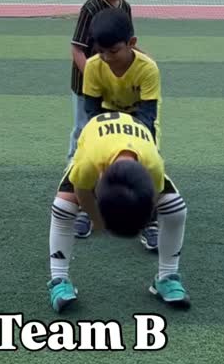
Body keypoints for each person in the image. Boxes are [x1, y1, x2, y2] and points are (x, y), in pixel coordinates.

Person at [48, 110, 190, 313]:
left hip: (135, 150)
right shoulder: (89, 163)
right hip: (97, 142)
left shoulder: (154, 166)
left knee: (176, 211)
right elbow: (82, 192)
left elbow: (154, 198)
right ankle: (58, 280)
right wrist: (96, 219)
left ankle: (167, 277)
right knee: (63, 208)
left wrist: (142, 218)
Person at [68, 0, 140, 238]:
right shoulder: (92, 7)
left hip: (115, 88)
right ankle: (74, 188)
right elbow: (77, 48)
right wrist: (93, 78)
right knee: (82, 133)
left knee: (109, 137)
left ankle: (107, 189)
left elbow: (128, 48)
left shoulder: (125, 10)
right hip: (86, 86)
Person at [82, 7, 161, 249]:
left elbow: (148, 116)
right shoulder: (94, 66)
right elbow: (92, 111)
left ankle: (150, 221)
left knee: (145, 165)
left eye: (113, 51)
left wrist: (131, 145)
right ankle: (88, 210)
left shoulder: (148, 69)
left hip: (140, 121)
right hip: (107, 119)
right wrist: (103, 144)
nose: (106, 57)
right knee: (95, 161)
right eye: (100, 51)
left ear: (131, 43)